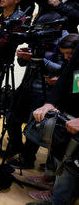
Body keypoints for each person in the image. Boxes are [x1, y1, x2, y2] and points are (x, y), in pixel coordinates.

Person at [25, 43, 79, 205]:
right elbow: (70, 74)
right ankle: (54, 193)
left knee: (71, 164)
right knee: (63, 154)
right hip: (72, 112)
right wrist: (51, 103)